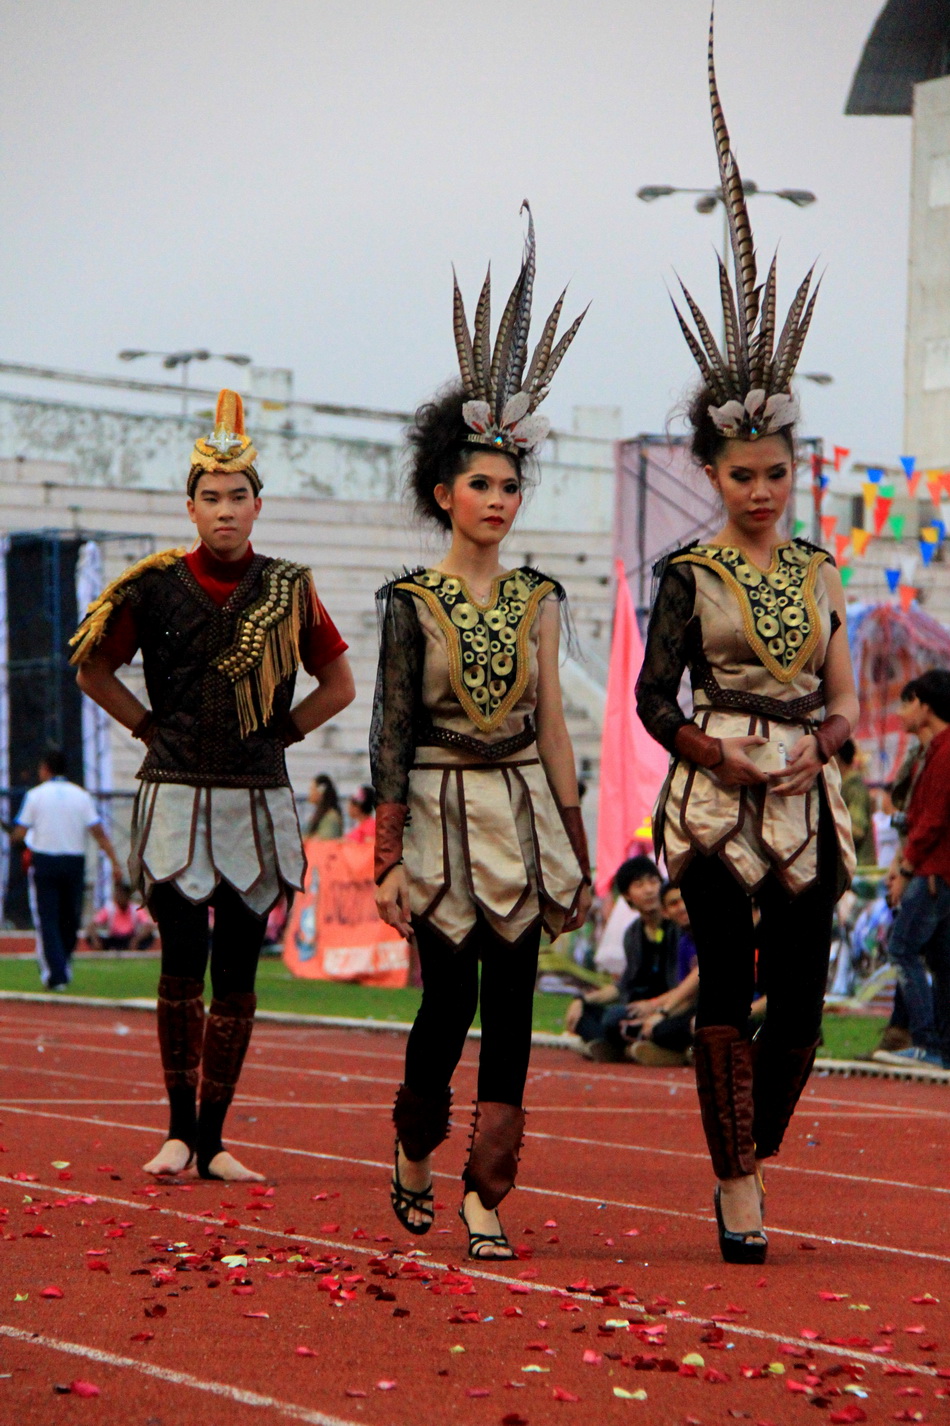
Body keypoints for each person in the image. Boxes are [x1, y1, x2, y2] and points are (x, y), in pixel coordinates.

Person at [635, 19, 858, 1264]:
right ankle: (736, 1188)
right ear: (713, 471)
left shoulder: (823, 569)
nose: (760, 487)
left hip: (803, 799)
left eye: (775, 470)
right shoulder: (688, 572)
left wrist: (821, 746)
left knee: (805, 1010)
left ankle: (747, 1146)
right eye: (741, 471)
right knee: (725, 982)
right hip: (715, 795)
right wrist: (715, 760)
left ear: (790, 468)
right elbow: (646, 692)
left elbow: (839, 695)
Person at [372, 206, 590, 1259]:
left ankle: (484, 1193)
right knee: (447, 997)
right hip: (432, 812)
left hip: (519, 810)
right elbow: (388, 731)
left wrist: (579, 841)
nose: (498, 499)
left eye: (510, 485)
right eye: (480, 484)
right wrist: (382, 855)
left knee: (516, 1002)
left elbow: (552, 729)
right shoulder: (407, 600)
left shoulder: (541, 597)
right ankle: (415, 1142)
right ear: (441, 491)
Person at [71, 389, 355, 1181]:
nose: (225, 511)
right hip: (174, 790)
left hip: (256, 797)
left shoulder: (292, 587)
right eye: (210, 498)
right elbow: (93, 668)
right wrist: (145, 726)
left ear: (257, 505)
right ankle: (176, 1129)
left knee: (236, 970)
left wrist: (283, 734)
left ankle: (216, 1136)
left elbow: (339, 685)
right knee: (178, 960)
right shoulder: (154, 586)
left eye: (238, 497)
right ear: (190, 507)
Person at [874, 669, 950, 1069]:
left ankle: (926, 1041)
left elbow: (933, 821)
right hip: (931, 868)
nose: (901, 712)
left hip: (934, 871)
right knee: (941, 959)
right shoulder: (929, 752)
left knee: (902, 948)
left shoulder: (944, 751)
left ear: (925, 704)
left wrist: (905, 872)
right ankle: (942, 1045)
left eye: (907, 702)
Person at [12, 748, 123, 988]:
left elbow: (19, 833)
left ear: (46, 769)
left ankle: (57, 971)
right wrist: (115, 861)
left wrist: (18, 843)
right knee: (70, 917)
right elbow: (99, 833)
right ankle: (62, 966)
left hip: (45, 861)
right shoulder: (81, 796)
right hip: (74, 862)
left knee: (48, 918)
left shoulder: (35, 795)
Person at [565, 857, 679, 1062]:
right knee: (587, 1015)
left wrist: (655, 1006)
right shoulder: (633, 934)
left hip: (672, 1006)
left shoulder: (677, 928)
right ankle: (629, 1047)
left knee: (615, 1020)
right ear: (627, 895)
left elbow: (684, 983)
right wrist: (582, 1000)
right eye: (639, 884)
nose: (649, 890)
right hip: (638, 1008)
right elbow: (624, 984)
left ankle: (627, 1047)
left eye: (653, 882)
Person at [836, 740, 876, 867]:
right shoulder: (841, 787)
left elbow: (857, 829)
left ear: (837, 758)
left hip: (859, 867)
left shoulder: (854, 787)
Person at [88, 881, 155, 950]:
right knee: (90, 937)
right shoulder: (109, 909)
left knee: (149, 937)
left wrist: (136, 940)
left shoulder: (136, 909)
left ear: (128, 896)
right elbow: (92, 925)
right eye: (118, 895)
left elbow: (148, 925)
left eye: (122, 895)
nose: (119, 897)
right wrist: (95, 940)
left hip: (130, 938)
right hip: (114, 939)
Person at [306, 773, 343, 839]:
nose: (309, 793)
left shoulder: (331, 817)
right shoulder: (321, 815)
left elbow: (326, 840)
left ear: (321, 792)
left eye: (311, 789)